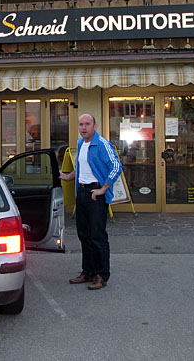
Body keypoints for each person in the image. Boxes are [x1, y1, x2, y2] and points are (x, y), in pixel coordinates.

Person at [60, 113, 122, 290]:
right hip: (82, 192)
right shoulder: (81, 143)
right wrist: (69, 176)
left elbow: (116, 166)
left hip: (96, 194)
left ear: (95, 126)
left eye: (87, 124)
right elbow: (82, 167)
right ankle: (87, 272)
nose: (84, 127)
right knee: (84, 235)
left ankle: (102, 275)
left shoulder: (102, 144)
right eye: (81, 124)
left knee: (97, 236)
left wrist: (103, 189)